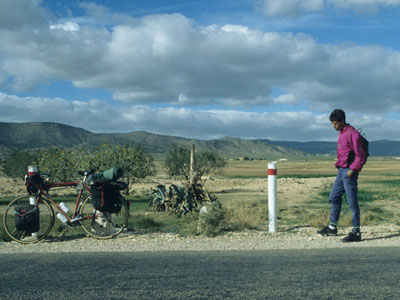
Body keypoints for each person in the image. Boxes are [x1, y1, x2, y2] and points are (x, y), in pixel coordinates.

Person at [317, 109, 367, 242]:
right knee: (334, 197)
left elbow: (360, 155)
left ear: (342, 121)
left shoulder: (353, 134)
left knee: (352, 202)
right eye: (332, 124)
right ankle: (332, 228)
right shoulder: (342, 133)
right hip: (341, 171)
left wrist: (352, 169)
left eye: (335, 123)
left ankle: (356, 232)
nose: (334, 126)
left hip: (349, 172)